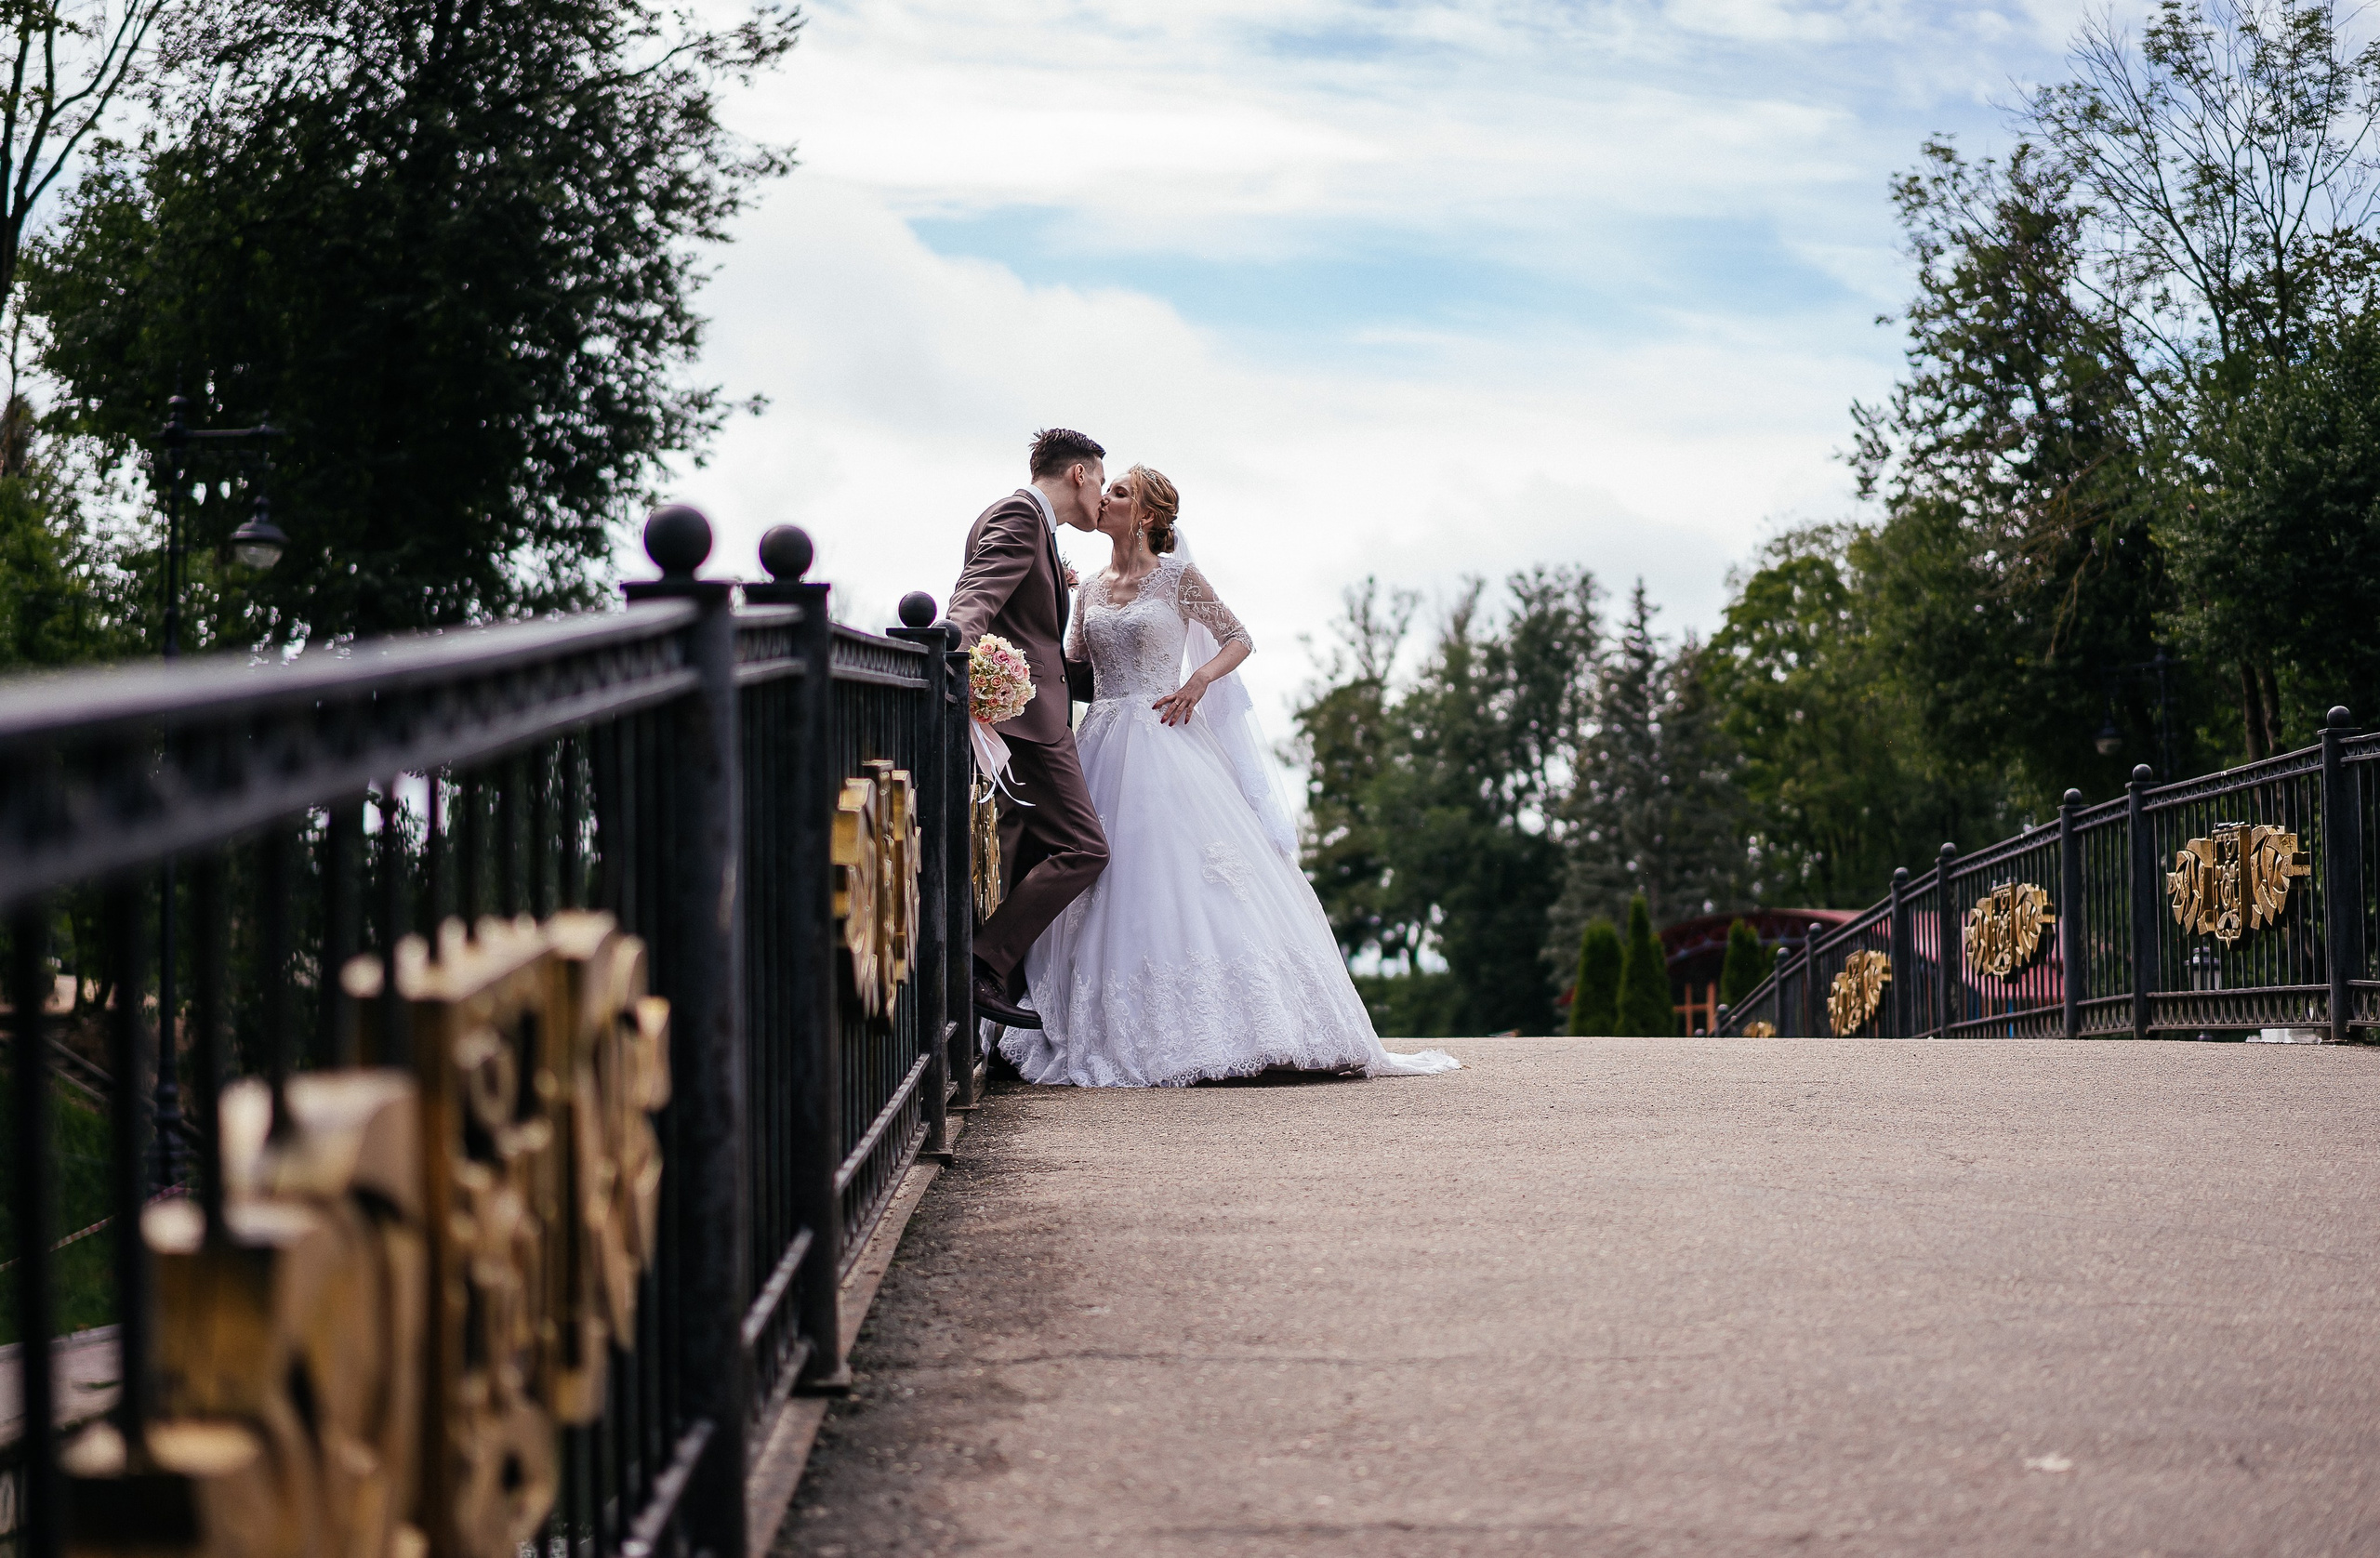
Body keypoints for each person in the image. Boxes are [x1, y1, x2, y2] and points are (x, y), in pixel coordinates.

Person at [1003, 464, 1460, 1087]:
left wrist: (1197, 680)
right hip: (1103, 739)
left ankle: (1249, 1025)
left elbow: (1237, 637)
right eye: (1105, 488)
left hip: (1166, 736)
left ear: (1145, 516)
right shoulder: (1089, 589)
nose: (1102, 499)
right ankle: (1103, 1023)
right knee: (1099, 870)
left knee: (1188, 876)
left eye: (1118, 492)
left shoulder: (1177, 578)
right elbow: (1075, 669)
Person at [947, 428, 1111, 1030]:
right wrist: (953, 653)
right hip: (1028, 722)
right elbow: (976, 595)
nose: (1102, 493)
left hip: (1023, 716)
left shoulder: (1034, 527)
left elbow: (1026, 627)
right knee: (1083, 848)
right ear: (1080, 474)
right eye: (1101, 479)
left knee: (1023, 859)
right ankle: (981, 966)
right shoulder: (1020, 514)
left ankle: (993, 1019)